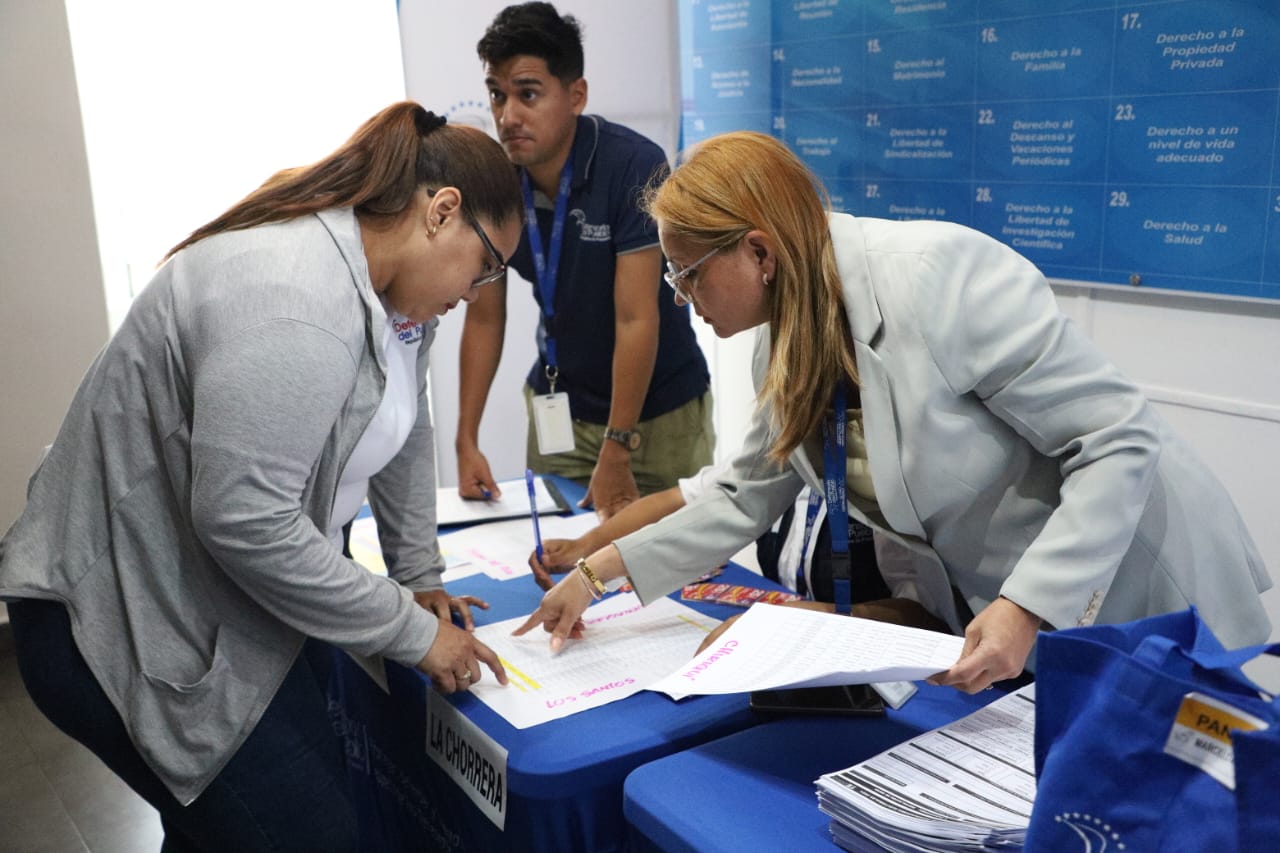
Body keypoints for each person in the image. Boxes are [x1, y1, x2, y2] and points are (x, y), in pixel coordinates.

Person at [514, 130, 1273, 693]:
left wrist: (1026, 605)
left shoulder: (938, 280)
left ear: (759, 254)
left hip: (1148, 579)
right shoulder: (783, 340)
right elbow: (743, 495)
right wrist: (598, 570)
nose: (682, 298)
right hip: (1035, 622)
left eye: (689, 276)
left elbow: (1117, 439)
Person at [0, 101, 517, 852]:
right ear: (441, 212)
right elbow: (246, 520)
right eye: (486, 266)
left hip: (210, 597)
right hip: (115, 614)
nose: (476, 293)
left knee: (237, 824)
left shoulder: (392, 295)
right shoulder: (296, 302)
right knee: (307, 832)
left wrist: (417, 574)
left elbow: (406, 426)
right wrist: (413, 632)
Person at [457, 2, 713, 519]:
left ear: (576, 95)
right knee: (556, 561)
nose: (508, 116)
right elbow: (485, 314)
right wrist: (465, 438)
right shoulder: (498, 180)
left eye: (528, 94)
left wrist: (617, 446)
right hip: (561, 410)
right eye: (497, 95)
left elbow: (636, 317)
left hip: (656, 418)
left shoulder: (632, 165)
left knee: (675, 577)